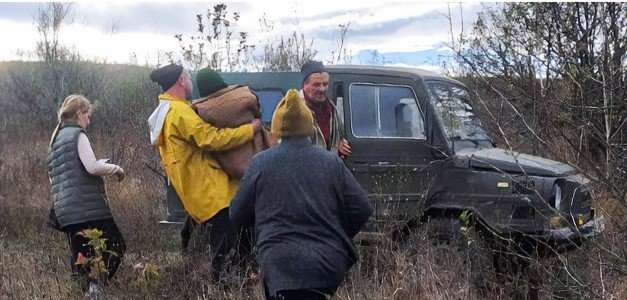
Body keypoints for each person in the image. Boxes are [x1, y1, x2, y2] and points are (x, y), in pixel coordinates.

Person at [230, 89, 372, 300]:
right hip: (327, 263)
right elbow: (362, 208)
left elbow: (237, 214)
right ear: (308, 126)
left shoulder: (260, 163)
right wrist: (336, 234)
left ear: (277, 126)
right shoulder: (331, 162)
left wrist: (262, 231)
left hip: (279, 266)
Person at [147, 63, 262, 280]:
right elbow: (212, 138)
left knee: (233, 246)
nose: (191, 82)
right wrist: (250, 130)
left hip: (199, 196)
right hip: (214, 195)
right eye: (188, 77)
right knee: (225, 255)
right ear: (181, 80)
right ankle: (226, 290)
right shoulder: (179, 111)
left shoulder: (163, 112)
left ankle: (239, 283)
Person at [46, 94, 126, 289]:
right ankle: (96, 288)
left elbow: (54, 178)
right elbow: (92, 167)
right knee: (117, 246)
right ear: (78, 114)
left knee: (81, 259)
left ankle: (86, 291)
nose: (88, 120)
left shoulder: (54, 141)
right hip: (87, 208)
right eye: (86, 114)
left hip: (66, 211)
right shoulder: (77, 135)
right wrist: (116, 169)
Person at [299, 60, 351, 157]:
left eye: (325, 84)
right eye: (316, 85)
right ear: (304, 85)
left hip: (327, 168)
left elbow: (338, 137)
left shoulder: (331, 109)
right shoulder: (294, 111)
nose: (322, 89)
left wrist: (339, 146)